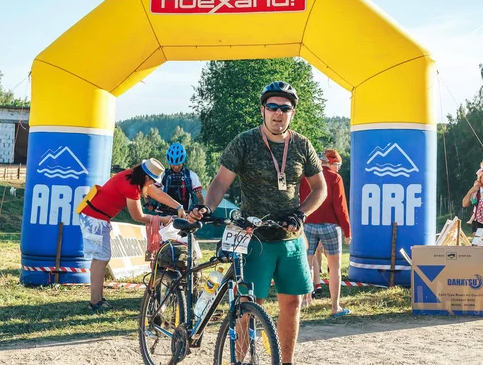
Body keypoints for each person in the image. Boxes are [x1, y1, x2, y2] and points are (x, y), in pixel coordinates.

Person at [189, 81, 327, 365]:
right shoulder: (245, 142)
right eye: (272, 107)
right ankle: (239, 361)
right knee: (249, 307)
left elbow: (320, 188)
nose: (278, 113)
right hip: (254, 239)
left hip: (290, 239)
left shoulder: (302, 145)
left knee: (292, 303)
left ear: (292, 113)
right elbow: (220, 182)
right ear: (263, 110)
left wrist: (301, 213)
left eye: (285, 108)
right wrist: (206, 206)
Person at [77, 158, 186, 311]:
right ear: (147, 178)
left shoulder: (133, 177)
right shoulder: (131, 186)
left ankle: (98, 300)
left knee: (101, 258)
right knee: (100, 259)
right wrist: (164, 219)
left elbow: (157, 193)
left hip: (96, 216)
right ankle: (95, 302)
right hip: (95, 218)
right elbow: (138, 216)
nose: (152, 186)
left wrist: (178, 206)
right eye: (152, 182)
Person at [299, 149, 351, 317]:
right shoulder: (335, 178)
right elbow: (340, 207)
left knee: (305, 265)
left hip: (307, 225)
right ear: (330, 162)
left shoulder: (306, 176)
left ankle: (304, 302)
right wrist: (347, 231)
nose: (338, 169)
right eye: (338, 165)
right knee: (334, 267)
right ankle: (335, 307)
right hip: (330, 226)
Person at [148, 143, 204, 215]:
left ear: (183, 161)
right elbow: (149, 190)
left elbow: (200, 197)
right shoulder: (162, 175)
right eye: (173, 165)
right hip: (164, 214)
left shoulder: (192, 176)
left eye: (179, 164)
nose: (176, 167)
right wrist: (149, 202)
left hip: (185, 215)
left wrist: (199, 209)